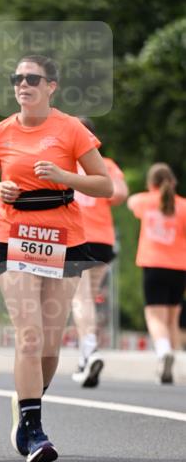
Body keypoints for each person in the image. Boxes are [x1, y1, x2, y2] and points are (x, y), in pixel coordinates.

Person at [0, 54, 112, 462]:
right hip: (15, 234)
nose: (23, 84)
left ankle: (26, 405)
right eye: (17, 78)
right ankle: (34, 431)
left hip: (63, 238)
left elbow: (104, 184)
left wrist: (64, 176)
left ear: (51, 86)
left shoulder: (70, 129)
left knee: (50, 346)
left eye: (32, 78)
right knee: (30, 336)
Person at [70, 119, 128, 387]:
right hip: (102, 239)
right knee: (89, 299)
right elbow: (120, 194)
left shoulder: (64, 163)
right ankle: (85, 355)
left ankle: (90, 349)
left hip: (76, 236)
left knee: (80, 299)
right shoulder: (107, 164)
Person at [127, 163, 186, 384]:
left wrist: (153, 194)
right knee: (172, 318)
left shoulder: (146, 202)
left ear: (151, 184)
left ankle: (163, 353)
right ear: (173, 182)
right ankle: (173, 364)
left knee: (154, 316)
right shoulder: (183, 206)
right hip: (180, 268)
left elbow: (131, 201)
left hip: (153, 266)